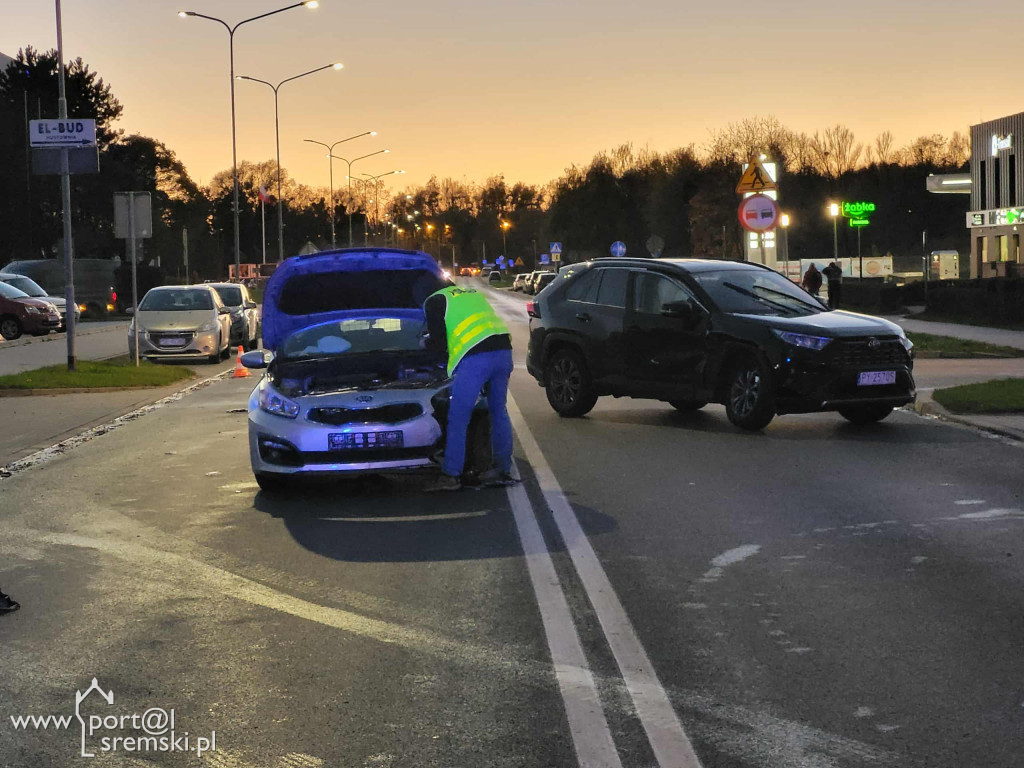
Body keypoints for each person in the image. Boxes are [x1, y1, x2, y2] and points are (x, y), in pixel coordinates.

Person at [422, 284, 517, 491]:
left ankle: (451, 475)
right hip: (503, 351)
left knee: (458, 416)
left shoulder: (433, 301)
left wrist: (425, 346)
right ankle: (502, 469)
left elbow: (438, 344)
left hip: (476, 359)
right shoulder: (469, 293)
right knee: (498, 410)